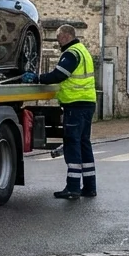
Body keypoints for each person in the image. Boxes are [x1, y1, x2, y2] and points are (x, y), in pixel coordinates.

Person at [22, 24, 97, 199]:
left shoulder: (71, 53)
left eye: (58, 38)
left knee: (72, 144)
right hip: (87, 103)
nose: (58, 42)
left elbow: (58, 75)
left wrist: (37, 78)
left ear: (66, 36)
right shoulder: (83, 51)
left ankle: (73, 188)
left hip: (75, 105)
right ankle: (89, 187)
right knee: (84, 144)